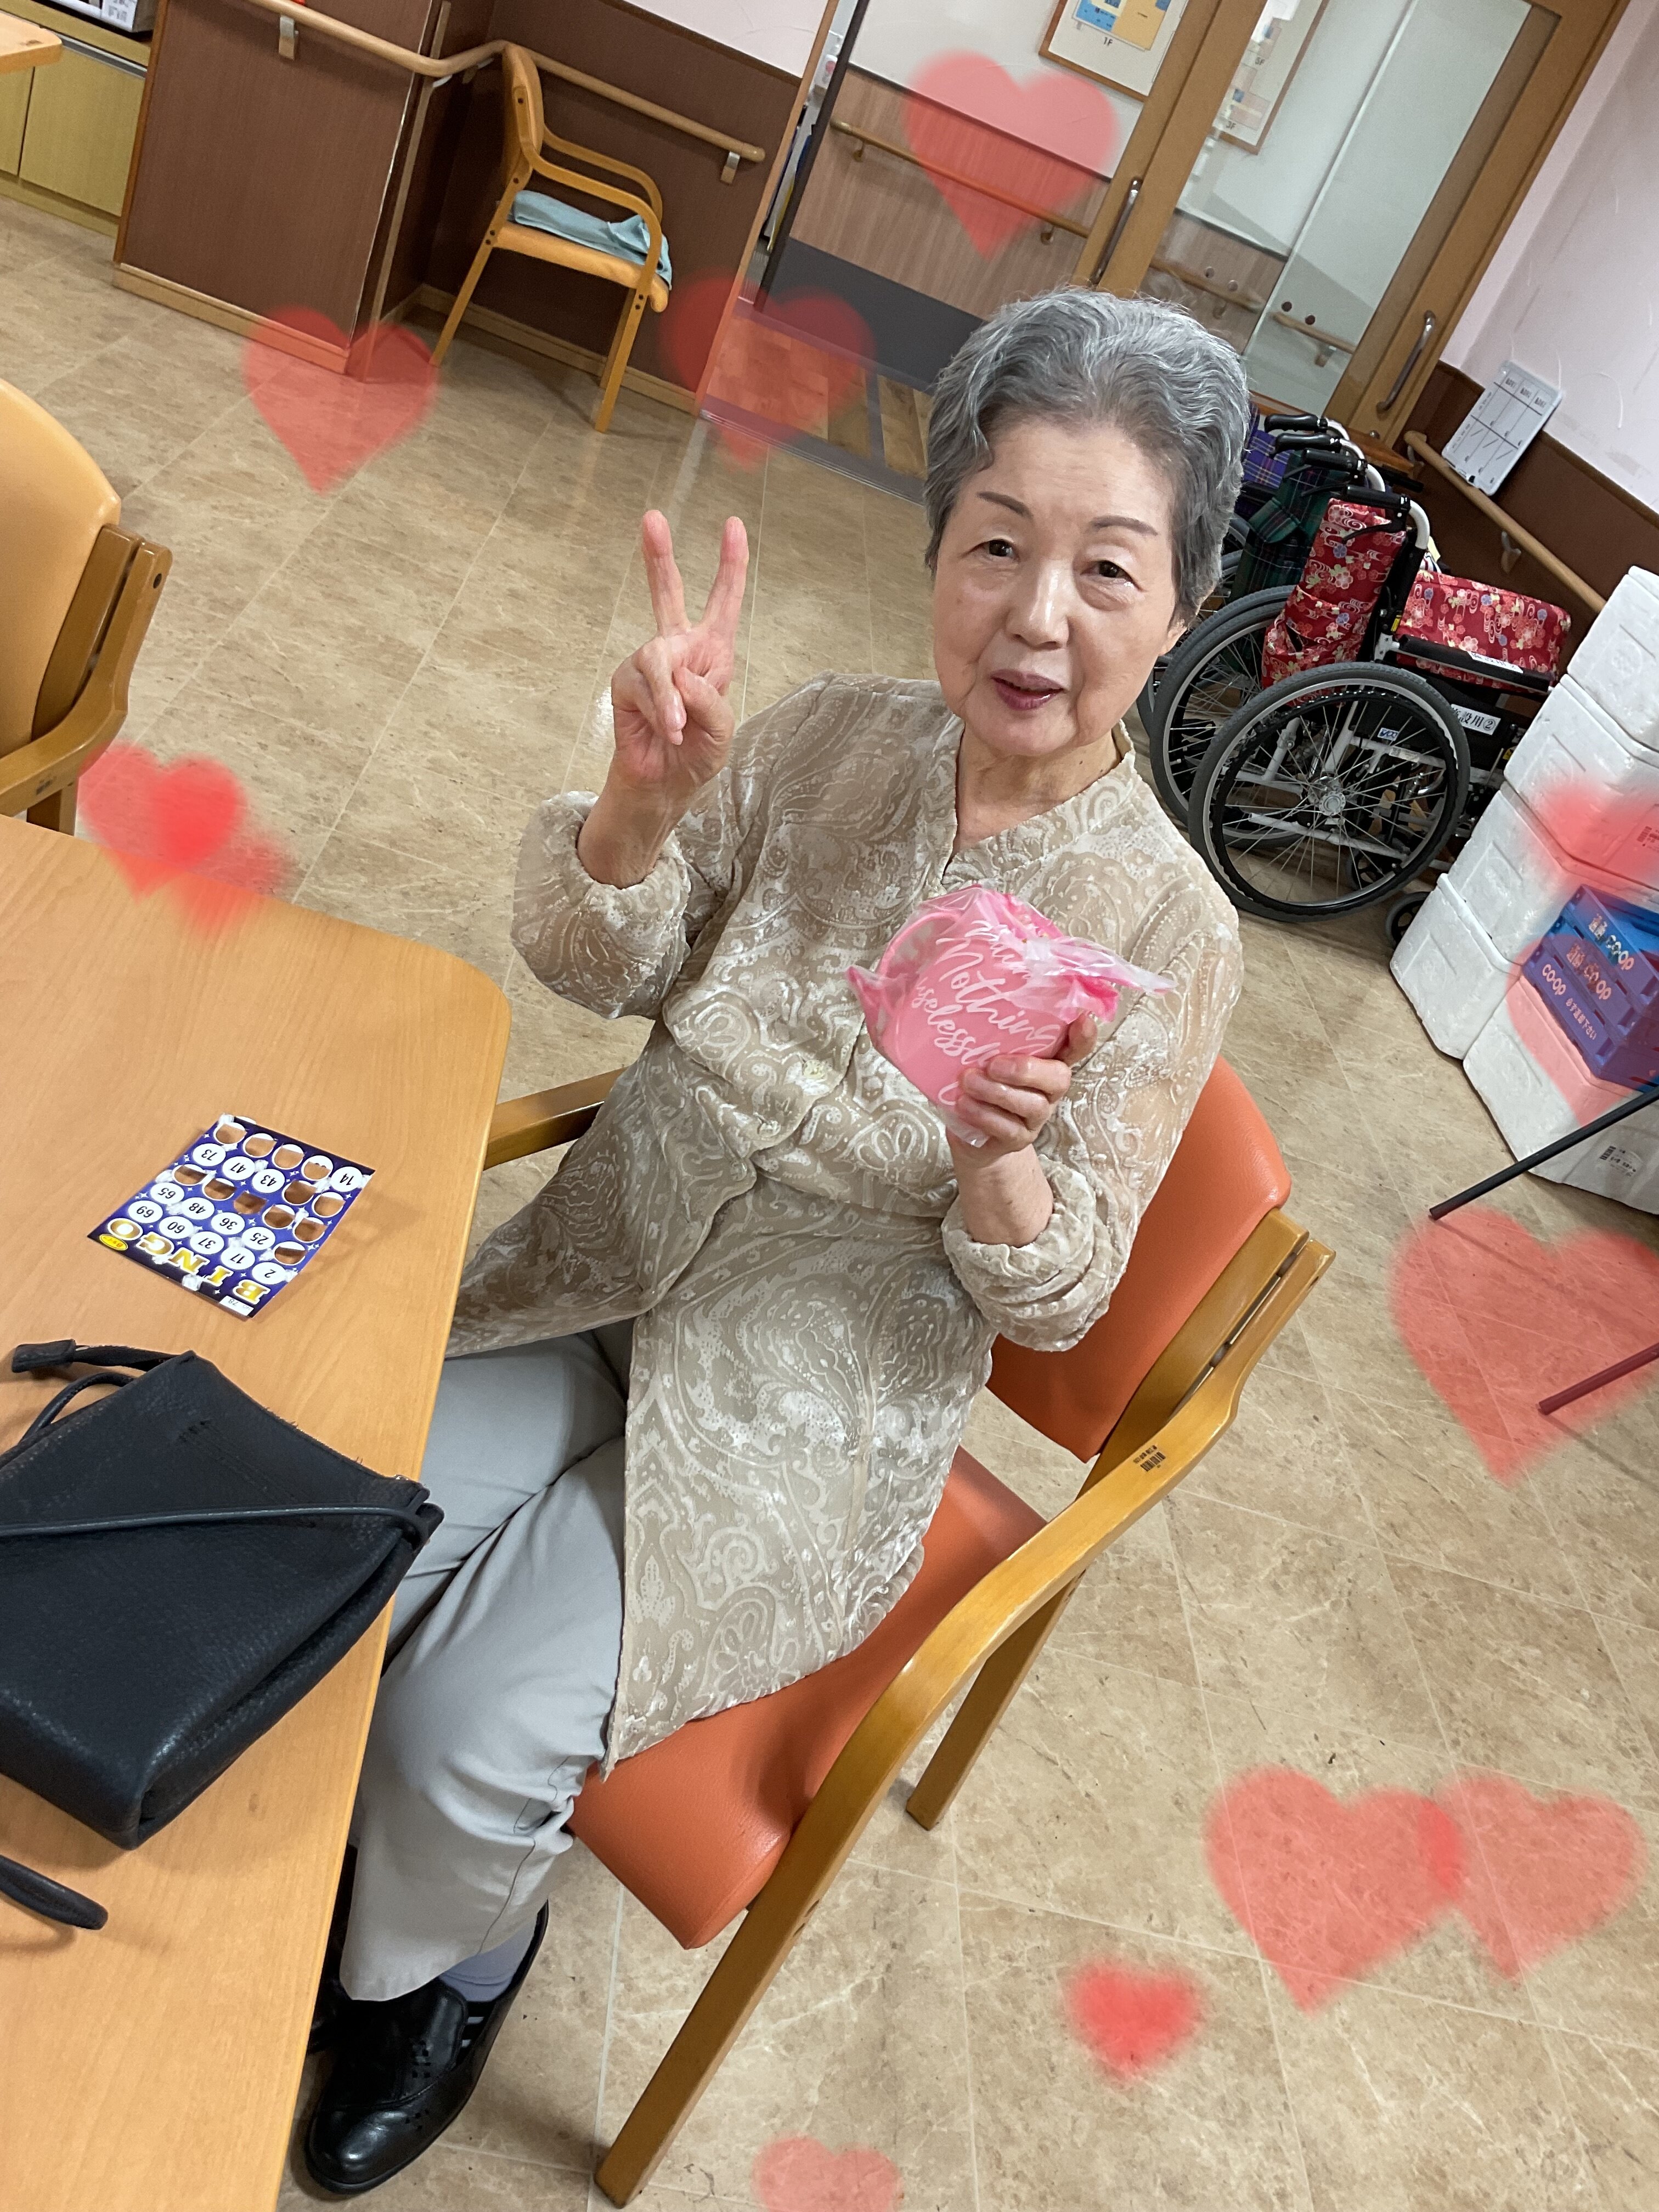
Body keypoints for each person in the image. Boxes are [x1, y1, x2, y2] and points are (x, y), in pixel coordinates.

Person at [303, 287, 1249, 2195]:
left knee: (458, 1733)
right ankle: (362, 1857)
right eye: (996, 544)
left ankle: (450, 1966)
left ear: (1181, 606)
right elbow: (606, 965)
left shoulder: (1169, 930)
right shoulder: (819, 739)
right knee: (325, 1543)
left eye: (1106, 568)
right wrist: (637, 815)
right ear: (938, 554)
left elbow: (1069, 1293)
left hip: (810, 1412)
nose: (1038, 615)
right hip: (601, 1266)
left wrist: (999, 1172)